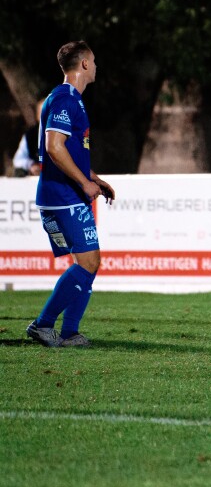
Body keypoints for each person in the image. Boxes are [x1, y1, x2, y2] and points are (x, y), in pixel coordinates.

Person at [26, 41, 115, 348]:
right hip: (62, 195)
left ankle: (69, 333)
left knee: (88, 262)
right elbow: (53, 147)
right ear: (85, 65)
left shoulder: (65, 99)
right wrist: (83, 183)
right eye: (94, 60)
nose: (96, 66)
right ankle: (44, 325)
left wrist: (94, 179)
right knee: (89, 261)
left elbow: (68, 150)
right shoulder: (66, 99)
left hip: (62, 193)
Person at [12, 98, 44, 177]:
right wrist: (31, 165)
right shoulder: (30, 136)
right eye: (42, 113)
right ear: (37, 116)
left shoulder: (68, 134)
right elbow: (18, 160)